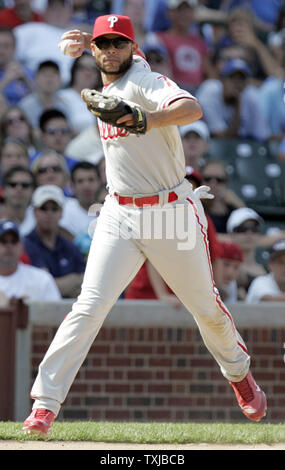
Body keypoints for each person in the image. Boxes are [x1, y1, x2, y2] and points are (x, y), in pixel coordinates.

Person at [23, 14, 266, 437]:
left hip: (169, 210)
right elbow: (101, 50)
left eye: (120, 43)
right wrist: (88, 42)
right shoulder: (106, 68)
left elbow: (191, 108)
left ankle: (239, 373)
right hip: (119, 211)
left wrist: (145, 119)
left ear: (135, 49)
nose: (112, 49)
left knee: (205, 307)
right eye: (105, 44)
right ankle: (45, 404)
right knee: (89, 305)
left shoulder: (143, 79)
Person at [23, 184, 86, 298]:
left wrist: (57, 285)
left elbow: (87, 283)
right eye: (44, 208)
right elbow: (38, 288)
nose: (49, 214)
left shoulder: (69, 246)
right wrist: (74, 280)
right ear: (35, 212)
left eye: (54, 208)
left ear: (61, 213)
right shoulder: (25, 244)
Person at [147, 0, 214, 93]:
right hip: (172, 89)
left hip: (198, 91)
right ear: (170, 12)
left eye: (187, 10)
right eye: (180, 10)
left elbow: (209, 72)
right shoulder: (160, 39)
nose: (184, 14)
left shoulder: (199, 41)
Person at [196, 58, 271, 141]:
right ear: (222, 80)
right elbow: (223, 138)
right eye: (232, 78)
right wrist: (238, 104)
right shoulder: (209, 92)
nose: (237, 83)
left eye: (241, 79)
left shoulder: (251, 96)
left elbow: (261, 136)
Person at [0, 219, 61, 304]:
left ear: (22, 247)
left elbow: (55, 314)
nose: (9, 246)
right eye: (3, 241)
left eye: (14, 241)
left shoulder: (42, 279)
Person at [226, 207, 267, 299]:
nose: (249, 233)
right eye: (242, 229)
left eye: (254, 229)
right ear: (231, 234)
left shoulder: (270, 269)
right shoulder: (224, 271)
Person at [57, 52, 102, 133]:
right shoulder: (61, 97)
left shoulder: (103, 98)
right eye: (83, 68)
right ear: (74, 70)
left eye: (93, 69)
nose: (88, 73)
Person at [18, 60, 69, 129]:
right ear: (36, 79)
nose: (49, 79)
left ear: (60, 80)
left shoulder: (64, 106)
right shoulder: (25, 106)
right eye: (45, 74)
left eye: (53, 74)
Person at [201, 160, 245, 234]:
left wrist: (239, 204)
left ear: (226, 183)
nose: (213, 184)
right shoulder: (195, 208)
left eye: (219, 180)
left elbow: (251, 231)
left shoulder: (233, 208)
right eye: (207, 179)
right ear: (201, 181)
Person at [60, 161, 101, 238]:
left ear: (99, 182)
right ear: (72, 186)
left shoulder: (111, 209)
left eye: (91, 180)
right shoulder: (63, 210)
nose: (86, 186)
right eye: (80, 181)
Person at [0, 27, 35, 105]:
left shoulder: (27, 72)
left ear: (14, 49)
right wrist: (6, 80)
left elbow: (41, 103)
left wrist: (26, 81)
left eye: (6, 46)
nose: (1, 50)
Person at [0, 165, 36, 236]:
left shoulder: (41, 222)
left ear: (33, 191)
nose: (19, 189)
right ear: (3, 190)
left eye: (25, 185)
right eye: (13, 184)